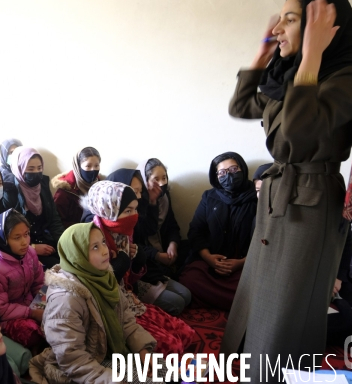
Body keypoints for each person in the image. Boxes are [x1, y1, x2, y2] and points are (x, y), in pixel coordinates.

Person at [220, 0, 352, 381]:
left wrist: (312, 55)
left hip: (312, 199)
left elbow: (298, 137)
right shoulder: (288, 75)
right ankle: (251, 363)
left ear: (324, 27)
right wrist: (262, 53)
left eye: (291, 19)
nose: (279, 27)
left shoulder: (350, 75)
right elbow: (240, 105)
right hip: (278, 195)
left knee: (290, 302)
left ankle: (277, 375)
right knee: (263, 290)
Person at [29, 223, 158, 384]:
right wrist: (112, 380)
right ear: (78, 254)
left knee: (167, 372)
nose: (105, 250)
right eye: (95, 247)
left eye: (103, 242)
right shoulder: (66, 299)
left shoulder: (104, 278)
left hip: (107, 351)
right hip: (87, 365)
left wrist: (143, 352)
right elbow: (72, 359)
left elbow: (125, 319)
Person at [81, 180, 194, 356]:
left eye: (135, 209)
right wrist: (117, 268)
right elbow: (94, 290)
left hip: (129, 298)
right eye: (128, 211)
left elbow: (130, 281)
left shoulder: (123, 234)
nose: (134, 215)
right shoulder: (91, 239)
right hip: (110, 310)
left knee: (186, 334)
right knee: (172, 347)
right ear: (109, 209)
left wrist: (138, 262)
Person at [107, 168, 191, 316]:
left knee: (186, 295)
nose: (139, 196)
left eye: (140, 191)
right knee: (178, 303)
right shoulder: (107, 218)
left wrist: (152, 203)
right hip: (128, 277)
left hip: (142, 267)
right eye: (134, 191)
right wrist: (153, 255)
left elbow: (150, 230)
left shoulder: (136, 206)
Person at [179, 152, 258, 310]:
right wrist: (208, 257)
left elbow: (264, 238)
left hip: (244, 264)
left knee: (256, 288)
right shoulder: (209, 197)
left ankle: (224, 301)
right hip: (212, 264)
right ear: (216, 176)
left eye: (233, 169)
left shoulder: (256, 196)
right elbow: (196, 230)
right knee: (189, 281)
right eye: (222, 172)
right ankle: (238, 305)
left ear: (242, 168)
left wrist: (242, 263)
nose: (228, 175)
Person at [0, 209, 45, 350]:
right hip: (9, 318)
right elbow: (1, 309)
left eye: (27, 234)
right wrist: (32, 313)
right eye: (17, 238)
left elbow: (39, 283)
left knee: (62, 312)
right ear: (3, 239)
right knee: (33, 334)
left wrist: (41, 306)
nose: (25, 242)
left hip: (32, 304)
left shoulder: (30, 252)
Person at [10, 146, 64, 268]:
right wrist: (32, 248)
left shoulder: (43, 185)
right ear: (20, 168)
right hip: (24, 248)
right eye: (30, 168)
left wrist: (64, 245)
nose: (36, 172)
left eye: (39, 168)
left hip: (47, 241)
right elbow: (9, 233)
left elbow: (54, 220)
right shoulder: (10, 191)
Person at [52, 147, 102, 229]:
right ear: (78, 166)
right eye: (88, 166)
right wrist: (84, 228)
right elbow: (58, 222)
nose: (93, 170)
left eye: (96, 165)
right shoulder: (64, 191)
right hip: (74, 233)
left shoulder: (99, 184)